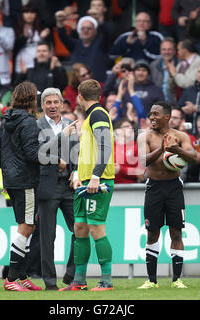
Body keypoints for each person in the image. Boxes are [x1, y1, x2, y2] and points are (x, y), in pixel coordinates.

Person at [59, 79, 115, 292]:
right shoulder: (92, 116)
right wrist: (77, 174)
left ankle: (106, 281)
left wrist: (95, 176)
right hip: (84, 183)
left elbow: (105, 146)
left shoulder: (98, 114)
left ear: (80, 98)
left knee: (96, 228)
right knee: (80, 228)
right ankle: (79, 281)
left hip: (97, 182)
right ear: (99, 95)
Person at [136, 101, 197, 290]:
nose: (152, 117)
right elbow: (143, 160)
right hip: (153, 187)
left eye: (156, 114)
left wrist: (176, 149)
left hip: (173, 188)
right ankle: (152, 281)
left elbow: (194, 157)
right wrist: (162, 149)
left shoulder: (180, 136)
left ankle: (176, 280)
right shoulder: (144, 137)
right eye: (150, 114)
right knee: (152, 232)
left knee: (176, 231)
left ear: (167, 117)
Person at [0, 81, 42, 292]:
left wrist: (9, 172)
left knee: (27, 225)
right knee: (26, 227)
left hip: (12, 181)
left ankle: (21, 276)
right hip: (26, 181)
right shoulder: (29, 122)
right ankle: (12, 279)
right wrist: (54, 155)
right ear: (32, 99)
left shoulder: (7, 120)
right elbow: (33, 153)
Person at [37, 88, 79, 290]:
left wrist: (75, 170)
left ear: (62, 104)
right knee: (47, 237)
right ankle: (50, 282)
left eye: (56, 102)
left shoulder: (72, 124)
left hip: (70, 186)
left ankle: (71, 275)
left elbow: (80, 152)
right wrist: (57, 162)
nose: (53, 106)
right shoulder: (36, 125)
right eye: (48, 102)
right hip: (47, 186)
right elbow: (38, 154)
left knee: (80, 230)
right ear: (42, 105)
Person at [55, 12, 110, 82]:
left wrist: (101, 22)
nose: (86, 30)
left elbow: (106, 34)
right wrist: (60, 22)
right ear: (79, 31)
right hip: (77, 87)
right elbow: (63, 36)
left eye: (89, 28)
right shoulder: (74, 45)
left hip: (97, 87)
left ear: (95, 31)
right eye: (83, 28)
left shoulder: (101, 44)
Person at [113, 118, 145, 183]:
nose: (131, 128)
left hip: (130, 189)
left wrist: (121, 169)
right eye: (126, 126)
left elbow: (142, 174)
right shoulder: (110, 148)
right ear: (118, 130)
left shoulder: (137, 147)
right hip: (110, 189)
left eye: (131, 126)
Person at [150, 37, 178, 103]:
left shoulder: (180, 64)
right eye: (164, 49)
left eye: (169, 49)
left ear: (174, 51)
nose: (166, 52)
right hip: (157, 103)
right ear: (160, 51)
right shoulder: (154, 65)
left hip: (175, 103)